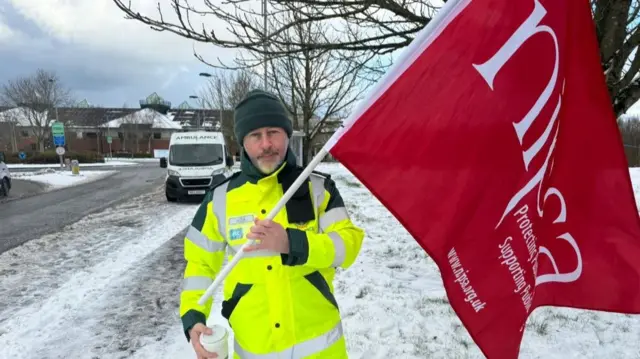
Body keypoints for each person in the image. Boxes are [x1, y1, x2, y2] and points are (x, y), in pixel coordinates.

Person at [179, 89, 366, 359]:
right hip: (254, 348)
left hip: (322, 348)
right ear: (242, 142)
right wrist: (194, 316)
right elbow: (200, 264)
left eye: (273, 132)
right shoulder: (218, 200)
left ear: (287, 135)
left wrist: (294, 243)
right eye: (256, 135)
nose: (266, 144)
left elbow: (349, 245)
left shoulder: (317, 188)